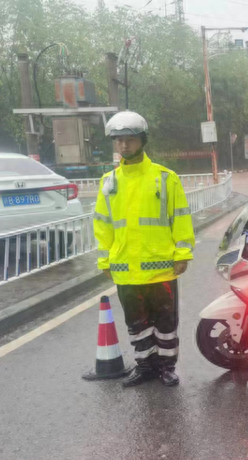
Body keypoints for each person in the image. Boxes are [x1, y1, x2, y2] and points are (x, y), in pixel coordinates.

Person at [93, 111, 195, 387]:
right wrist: (105, 260)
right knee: (137, 324)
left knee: (165, 322)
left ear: (142, 141)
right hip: (125, 269)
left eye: (130, 139)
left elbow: (181, 217)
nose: (124, 146)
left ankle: (166, 366)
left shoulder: (164, 178)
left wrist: (182, 254)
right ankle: (145, 366)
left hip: (160, 269)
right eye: (118, 141)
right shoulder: (109, 182)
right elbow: (103, 226)